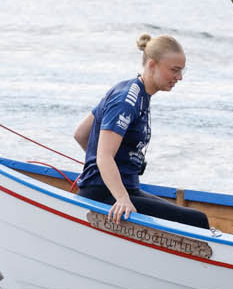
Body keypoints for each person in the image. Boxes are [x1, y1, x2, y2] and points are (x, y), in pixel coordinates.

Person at [73, 34, 211, 229]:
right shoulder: (126, 100)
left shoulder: (135, 92)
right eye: (174, 70)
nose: (179, 77)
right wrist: (121, 197)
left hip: (124, 189)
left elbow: (81, 134)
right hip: (103, 194)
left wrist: (114, 166)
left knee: (193, 218)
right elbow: (104, 156)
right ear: (152, 65)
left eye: (182, 71)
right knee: (197, 221)